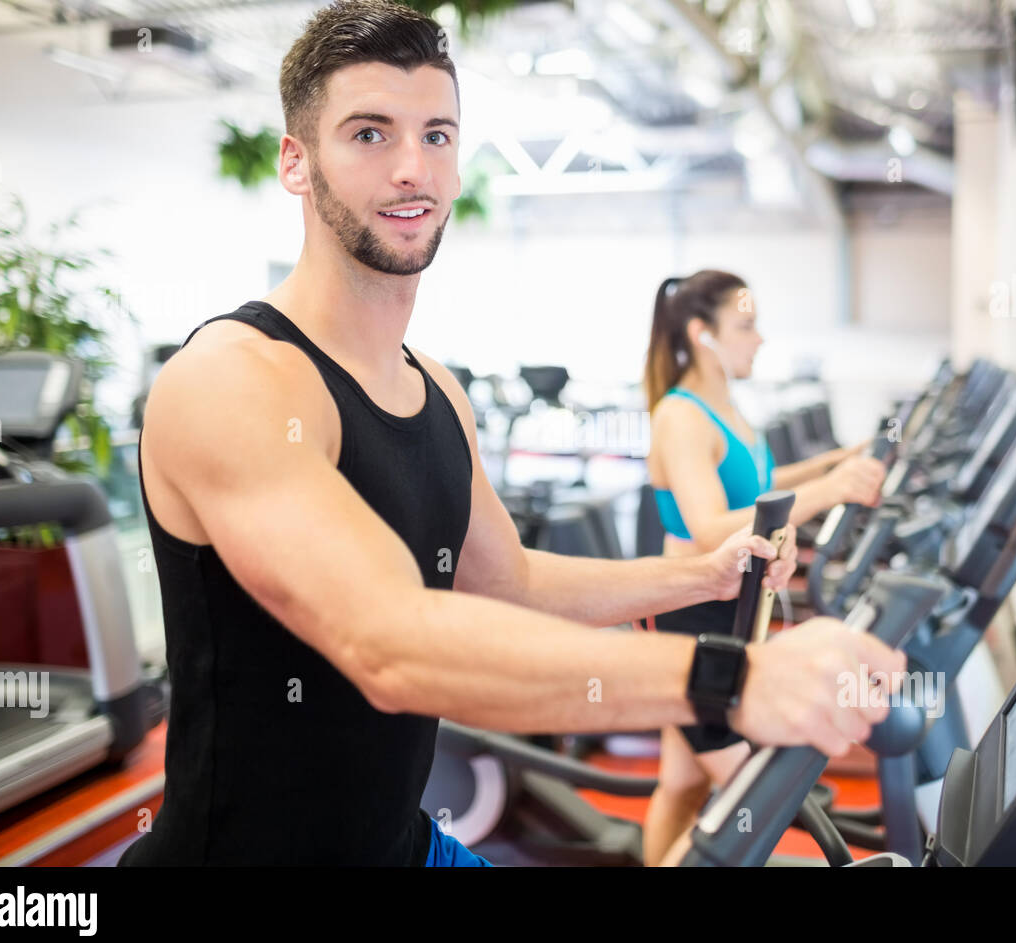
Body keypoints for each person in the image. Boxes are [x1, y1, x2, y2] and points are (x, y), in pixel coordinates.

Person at [118, 0, 903, 867]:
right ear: (296, 164)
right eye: (370, 134)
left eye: (438, 135)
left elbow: (511, 581)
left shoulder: (437, 391)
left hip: (407, 848)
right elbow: (390, 642)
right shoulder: (235, 378)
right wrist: (736, 682)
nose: (412, 168)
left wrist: (695, 576)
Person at [640, 270, 887, 865]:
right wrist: (829, 491)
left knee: (683, 783)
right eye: (745, 326)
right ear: (703, 335)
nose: (759, 339)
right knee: (748, 791)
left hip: (731, 610)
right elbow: (709, 525)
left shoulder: (728, 407)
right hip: (687, 616)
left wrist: (836, 462)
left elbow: (762, 487)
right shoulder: (681, 416)